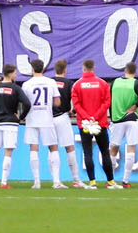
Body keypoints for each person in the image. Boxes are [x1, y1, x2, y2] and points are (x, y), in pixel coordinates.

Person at [0, 63, 32, 189]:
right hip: (10, 123)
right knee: (8, 152)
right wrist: (21, 117)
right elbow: (27, 104)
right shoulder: (15, 88)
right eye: (15, 73)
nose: (16, 75)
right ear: (11, 73)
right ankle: (3, 182)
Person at [71, 60, 118, 189]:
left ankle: (92, 182)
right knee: (105, 152)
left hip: (85, 124)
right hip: (100, 122)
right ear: (94, 68)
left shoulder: (77, 85)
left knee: (87, 153)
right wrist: (95, 117)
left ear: (83, 68)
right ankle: (111, 181)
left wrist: (87, 118)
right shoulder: (102, 83)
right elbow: (107, 102)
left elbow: (76, 105)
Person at [21, 58, 64, 189]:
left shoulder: (26, 84)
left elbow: (24, 103)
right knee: (53, 147)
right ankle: (56, 181)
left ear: (32, 69)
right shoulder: (51, 82)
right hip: (47, 118)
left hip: (32, 118)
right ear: (43, 69)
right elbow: (57, 102)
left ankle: (37, 182)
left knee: (34, 148)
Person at [108, 62, 138, 189]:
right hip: (131, 118)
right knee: (131, 149)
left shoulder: (115, 82)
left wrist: (111, 116)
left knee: (113, 149)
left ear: (125, 70)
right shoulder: (136, 83)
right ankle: (125, 181)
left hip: (117, 119)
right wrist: (135, 106)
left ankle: (110, 180)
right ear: (135, 71)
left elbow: (108, 99)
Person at [51, 60, 85, 188]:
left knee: (53, 148)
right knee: (69, 147)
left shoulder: (49, 82)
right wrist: (73, 111)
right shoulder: (69, 83)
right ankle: (76, 180)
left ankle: (56, 181)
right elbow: (78, 100)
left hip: (48, 119)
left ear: (55, 69)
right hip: (62, 117)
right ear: (65, 70)